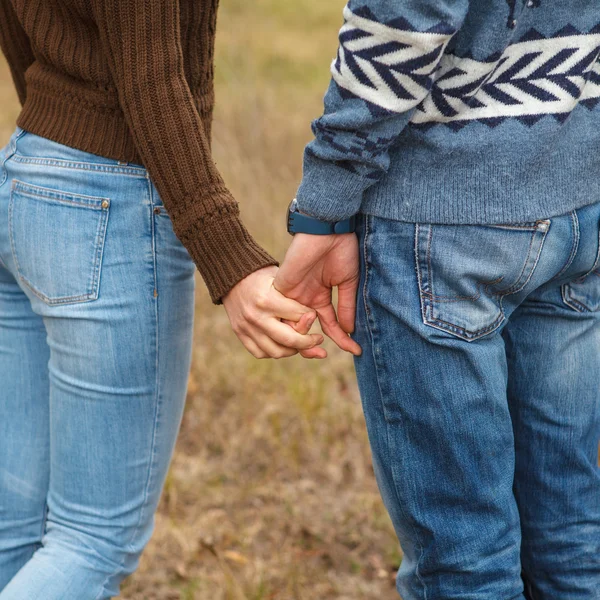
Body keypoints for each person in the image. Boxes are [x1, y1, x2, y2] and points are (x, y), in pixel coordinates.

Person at [0, 1, 343, 598]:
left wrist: (55, 136)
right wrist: (230, 262)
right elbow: (150, 79)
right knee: (92, 543)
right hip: (109, 203)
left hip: (28, 176)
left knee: (18, 529)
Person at [275, 1, 600, 598]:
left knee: (465, 558)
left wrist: (325, 203)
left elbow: (407, 16)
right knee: (571, 533)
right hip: (576, 208)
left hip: (442, 216)